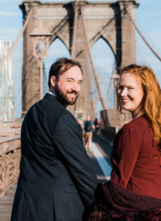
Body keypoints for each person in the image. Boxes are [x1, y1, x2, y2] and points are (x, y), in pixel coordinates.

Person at [90, 64, 161, 220]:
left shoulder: (131, 131)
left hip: (146, 212)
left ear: (146, 92)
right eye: (120, 87)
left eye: (130, 88)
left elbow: (119, 183)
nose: (122, 93)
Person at [11, 58, 97, 221]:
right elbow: (82, 170)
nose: (76, 88)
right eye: (70, 81)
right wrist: (99, 207)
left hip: (26, 207)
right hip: (56, 210)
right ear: (53, 80)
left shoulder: (31, 112)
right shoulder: (63, 118)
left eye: (79, 83)